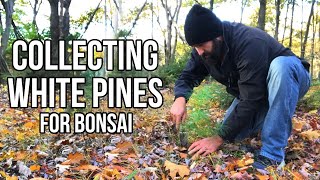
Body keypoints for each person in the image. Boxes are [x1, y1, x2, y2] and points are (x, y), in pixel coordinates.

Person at [170, 4, 311, 170]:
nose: (199, 52)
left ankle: (272, 155)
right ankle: (268, 121)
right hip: (258, 92)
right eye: (195, 47)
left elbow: (251, 98)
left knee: (282, 66)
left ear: (218, 37)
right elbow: (188, 76)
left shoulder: (248, 41)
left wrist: (218, 138)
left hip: (292, 77)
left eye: (201, 45)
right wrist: (180, 98)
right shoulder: (203, 51)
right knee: (233, 136)